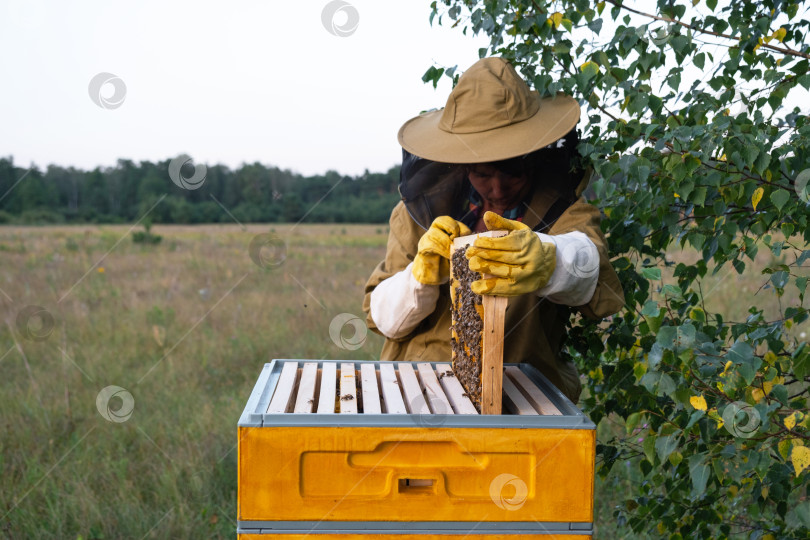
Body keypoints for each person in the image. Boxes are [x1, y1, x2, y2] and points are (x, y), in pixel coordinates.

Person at [362, 57, 624, 403]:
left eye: (511, 172)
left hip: (523, 398)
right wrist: (418, 280)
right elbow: (382, 319)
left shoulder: (564, 212)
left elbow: (595, 275)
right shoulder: (414, 215)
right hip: (418, 393)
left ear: (534, 158)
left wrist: (551, 260)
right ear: (462, 165)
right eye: (482, 174)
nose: (497, 190)